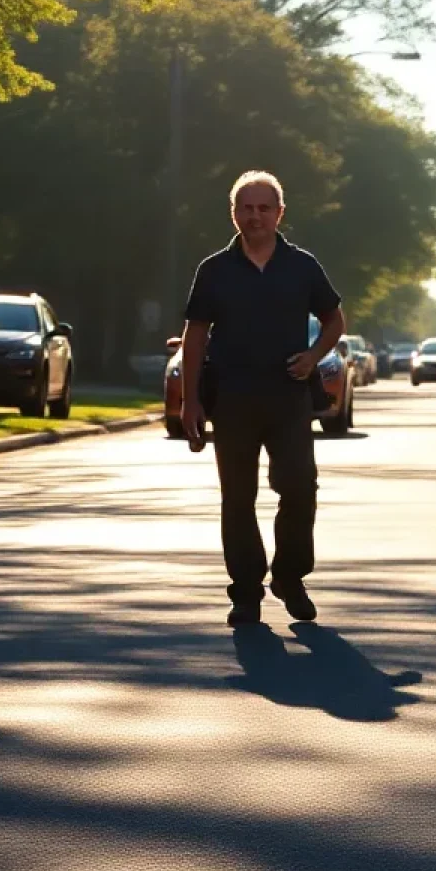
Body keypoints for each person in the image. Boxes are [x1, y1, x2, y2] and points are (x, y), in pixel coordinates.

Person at [181, 170, 346, 627]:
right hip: (232, 397)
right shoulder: (214, 270)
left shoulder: (302, 266)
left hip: (288, 398)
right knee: (237, 496)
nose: (255, 216)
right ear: (234, 213)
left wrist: (313, 357)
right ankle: (246, 591)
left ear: (280, 213)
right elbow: (195, 337)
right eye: (247, 208)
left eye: (264, 208)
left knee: (299, 489)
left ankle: (290, 578)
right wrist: (190, 401)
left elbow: (335, 321)